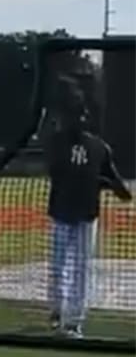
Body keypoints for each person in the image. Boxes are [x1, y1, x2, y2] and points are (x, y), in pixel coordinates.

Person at [40, 76, 132, 338]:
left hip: (84, 216)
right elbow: (58, 168)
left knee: (80, 268)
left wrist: (105, 183)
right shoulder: (58, 142)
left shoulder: (98, 148)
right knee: (60, 267)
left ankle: (73, 320)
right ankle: (58, 312)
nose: (74, 119)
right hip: (62, 213)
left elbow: (120, 188)